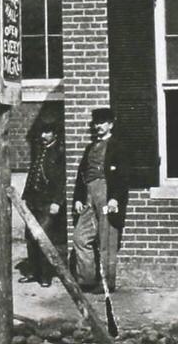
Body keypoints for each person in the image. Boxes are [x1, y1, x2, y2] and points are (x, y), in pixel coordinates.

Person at [71, 108, 128, 294]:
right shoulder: (90, 147)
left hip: (106, 194)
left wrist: (114, 198)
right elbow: (82, 175)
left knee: (106, 240)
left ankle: (106, 283)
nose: (98, 126)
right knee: (80, 237)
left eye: (102, 122)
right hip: (89, 194)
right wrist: (79, 198)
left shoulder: (118, 146)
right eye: (96, 123)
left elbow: (123, 176)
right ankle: (86, 279)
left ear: (111, 124)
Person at [20, 117, 66, 288]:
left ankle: (45, 275)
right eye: (42, 132)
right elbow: (32, 176)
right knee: (30, 237)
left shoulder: (60, 152)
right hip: (34, 201)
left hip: (48, 203)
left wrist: (57, 202)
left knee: (43, 238)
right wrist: (24, 198)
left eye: (47, 132)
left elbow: (63, 180)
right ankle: (33, 271)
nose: (43, 135)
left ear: (54, 134)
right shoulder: (40, 151)